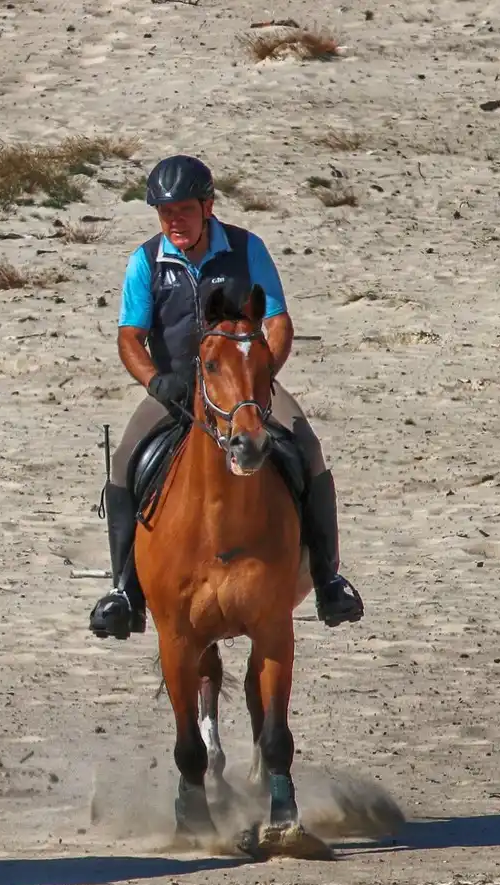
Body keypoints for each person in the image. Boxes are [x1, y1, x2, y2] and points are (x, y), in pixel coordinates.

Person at [88, 154, 365, 639]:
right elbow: (130, 338)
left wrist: (259, 383)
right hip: (175, 388)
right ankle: (124, 592)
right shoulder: (146, 261)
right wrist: (156, 381)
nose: (174, 221)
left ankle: (328, 580)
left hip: (245, 390)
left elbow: (277, 323)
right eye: (164, 212)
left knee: (309, 450)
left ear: (208, 206)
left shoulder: (247, 248)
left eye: (183, 210)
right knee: (124, 462)